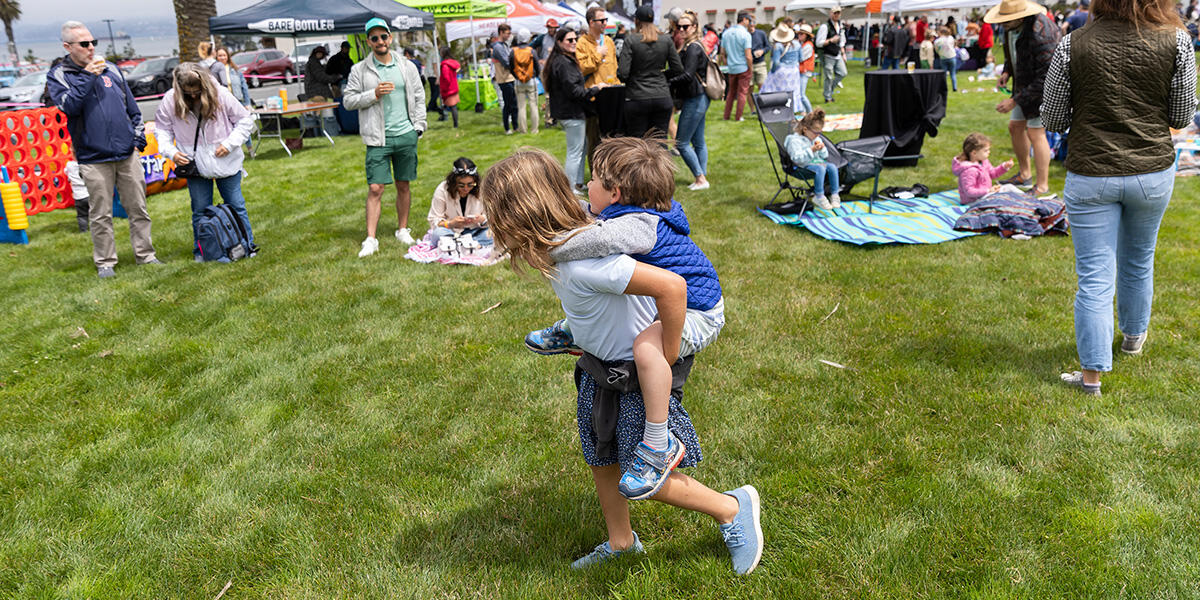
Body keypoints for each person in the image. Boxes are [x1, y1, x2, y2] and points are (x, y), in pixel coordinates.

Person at [480, 146, 762, 575]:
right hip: (599, 365)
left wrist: (663, 353)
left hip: (633, 374)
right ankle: (621, 542)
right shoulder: (568, 249)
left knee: (643, 472)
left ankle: (730, 507)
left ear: (523, 217)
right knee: (601, 455)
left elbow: (671, 288)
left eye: (500, 221)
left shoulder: (588, 263)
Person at [524, 136, 726, 497]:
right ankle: (576, 330)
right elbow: (587, 213)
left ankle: (657, 444)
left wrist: (548, 248)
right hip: (677, 299)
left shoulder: (638, 226)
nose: (587, 184)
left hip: (699, 310)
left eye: (594, 179)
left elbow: (592, 242)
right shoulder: (628, 212)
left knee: (648, 350)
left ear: (615, 193)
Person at [1041, 0, 1196, 395]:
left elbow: (1054, 119)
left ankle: (1092, 376)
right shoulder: (1177, 40)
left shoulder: (1072, 43)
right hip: (1151, 171)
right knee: (1138, 259)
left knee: (1094, 277)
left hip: (1091, 172)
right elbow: (1181, 117)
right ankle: (1133, 338)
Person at [47, 21, 162, 278]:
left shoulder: (111, 69)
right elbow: (70, 107)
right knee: (100, 214)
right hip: (93, 157)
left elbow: (132, 109)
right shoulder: (60, 74)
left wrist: (137, 141)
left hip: (126, 153)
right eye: (84, 44)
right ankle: (105, 262)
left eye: (93, 42)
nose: (91, 48)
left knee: (139, 209)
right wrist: (88, 76)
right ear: (67, 47)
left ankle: (146, 255)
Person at [154, 63, 257, 259]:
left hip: (226, 161)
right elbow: (162, 131)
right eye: (187, 93)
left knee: (236, 205)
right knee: (200, 209)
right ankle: (202, 251)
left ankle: (247, 245)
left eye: (197, 92)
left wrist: (229, 144)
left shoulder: (221, 94)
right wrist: (172, 152)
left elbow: (245, 120)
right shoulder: (170, 99)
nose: (193, 96)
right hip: (194, 164)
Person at [343, 17, 427, 257]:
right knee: (376, 188)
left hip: (406, 134)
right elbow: (348, 101)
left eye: (383, 36)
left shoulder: (406, 65)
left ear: (390, 38)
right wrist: (373, 94)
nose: (380, 41)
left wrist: (418, 127)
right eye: (374, 38)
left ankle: (403, 229)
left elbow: (420, 96)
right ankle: (370, 239)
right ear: (369, 42)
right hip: (377, 138)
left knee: (403, 184)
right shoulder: (359, 69)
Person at [986, 0, 1060, 195]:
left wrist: (1014, 101)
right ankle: (1024, 175)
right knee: (1015, 127)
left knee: (1036, 133)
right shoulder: (1010, 28)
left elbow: (1047, 77)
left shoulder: (1042, 34)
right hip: (1024, 85)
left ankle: (1042, 185)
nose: (1002, 24)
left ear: (1019, 17)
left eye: (1006, 21)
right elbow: (1013, 52)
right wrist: (1007, 72)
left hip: (1043, 89)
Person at [544, 28, 605, 190]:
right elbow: (575, 92)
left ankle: (577, 184)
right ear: (559, 42)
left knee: (581, 147)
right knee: (575, 152)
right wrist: (595, 89)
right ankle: (569, 189)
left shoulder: (562, 60)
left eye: (575, 39)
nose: (573, 42)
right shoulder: (563, 62)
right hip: (571, 113)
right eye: (569, 40)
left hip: (570, 112)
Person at [617, 4, 684, 138]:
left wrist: (635, 77)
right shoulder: (665, 40)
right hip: (661, 95)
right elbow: (678, 69)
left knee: (638, 144)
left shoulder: (631, 40)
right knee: (660, 142)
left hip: (637, 97)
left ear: (636, 21)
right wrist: (661, 75)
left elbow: (623, 73)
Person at [669, 11, 711, 190]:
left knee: (681, 142)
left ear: (694, 27)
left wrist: (667, 81)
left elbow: (687, 75)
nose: (681, 29)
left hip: (696, 97)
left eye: (685, 26)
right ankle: (702, 176)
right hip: (699, 97)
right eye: (679, 27)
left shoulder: (693, 47)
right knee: (698, 141)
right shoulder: (693, 45)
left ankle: (700, 179)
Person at [577, 7, 618, 178]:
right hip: (592, 98)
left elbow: (614, 67)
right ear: (591, 22)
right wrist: (596, 54)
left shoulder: (608, 41)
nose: (605, 23)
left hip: (610, 96)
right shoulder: (582, 43)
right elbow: (581, 69)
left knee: (612, 140)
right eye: (602, 21)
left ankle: (611, 174)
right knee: (594, 141)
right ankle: (597, 178)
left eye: (606, 20)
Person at [427, 157, 491, 246]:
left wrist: (482, 219)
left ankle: (457, 245)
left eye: (470, 184)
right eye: (461, 185)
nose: (466, 189)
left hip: (476, 231)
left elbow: (492, 217)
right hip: (451, 232)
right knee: (438, 234)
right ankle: (471, 244)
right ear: (454, 182)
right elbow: (434, 220)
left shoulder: (482, 189)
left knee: (493, 233)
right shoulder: (442, 190)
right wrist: (450, 223)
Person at [784, 108, 839, 210]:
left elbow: (824, 157)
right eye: (815, 132)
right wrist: (811, 150)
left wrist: (822, 149)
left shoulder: (816, 138)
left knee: (832, 167)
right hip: (801, 167)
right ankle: (818, 196)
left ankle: (835, 195)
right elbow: (797, 159)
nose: (818, 135)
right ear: (805, 129)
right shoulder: (794, 141)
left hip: (816, 164)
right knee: (821, 169)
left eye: (820, 132)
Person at [951, 133, 1014, 204]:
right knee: (1003, 196)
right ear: (974, 153)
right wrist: (988, 191)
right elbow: (969, 191)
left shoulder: (983, 162)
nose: (989, 152)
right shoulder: (969, 170)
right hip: (974, 201)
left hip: (984, 196)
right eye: (985, 150)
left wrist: (1004, 166)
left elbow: (993, 173)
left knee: (1009, 187)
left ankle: (1026, 200)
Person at [761, 23, 807, 115]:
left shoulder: (778, 46)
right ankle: (797, 109)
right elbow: (801, 58)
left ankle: (779, 110)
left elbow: (776, 62)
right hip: (794, 71)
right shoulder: (797, 44)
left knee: (777, 91)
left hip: (781, 70)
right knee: (794, 92)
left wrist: (773, 71)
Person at [720, 11, 754, 121]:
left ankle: (726, 116)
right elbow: (748, 55)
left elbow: (722, 53)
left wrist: (727, 64)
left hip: (731, 67)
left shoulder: (726, 33)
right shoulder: (746, 34)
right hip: (743, 67)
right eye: (749, 20)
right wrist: (751, 68)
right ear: (744, 19)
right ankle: (738, 117)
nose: (749, 23)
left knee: (730, 93)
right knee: (742, 93)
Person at [510, 27, 541, 134]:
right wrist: (535, 75)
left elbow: (511, 67)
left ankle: (523, 130)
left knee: (521, 107)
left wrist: (517, 76)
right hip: (531, 81)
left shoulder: (513, 51)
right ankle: (534, 129)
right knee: (533, 105)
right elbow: (537, 65)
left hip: (519, 82)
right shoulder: (531, 51)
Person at [816, 6, 848, 103]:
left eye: (838, 13)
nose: (837, 15)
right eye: (835, 13)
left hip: (837, 54)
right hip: (827, 54)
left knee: (843, 73)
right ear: (831, 13)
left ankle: (829, 91)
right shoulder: (825, 26)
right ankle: (828, 97)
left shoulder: (840, 25)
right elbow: (819, 43)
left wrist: (843, 53)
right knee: (828, 77)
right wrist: (831, 40)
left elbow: (842, 40)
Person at [491, 24, 518, 134]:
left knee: (514, 104)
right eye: (507, 33)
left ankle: (515, 126)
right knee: (508, 104)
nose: (509, 35)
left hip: (510, 78)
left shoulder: (505, 45)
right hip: (503, 79)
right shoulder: (498, 47)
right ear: (501, 33)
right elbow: (507, 63)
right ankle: (507, 128)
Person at [539, 18, 560, 126]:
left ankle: (556, 116)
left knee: (557, 94)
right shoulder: (542, 38)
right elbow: (530, 47)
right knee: (548, 96)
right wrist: (538, 59)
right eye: (550, 28)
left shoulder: (559, 38)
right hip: (546, 70)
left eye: (554, 28)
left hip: (557, 69)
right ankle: (548, 119)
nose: (552, 30)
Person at [439, 47, 461, 128]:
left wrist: (443, 87)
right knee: (452, 106)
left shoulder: (445, 65)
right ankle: (454, 123)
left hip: (448, 88)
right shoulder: (453, 63)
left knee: (451, 106)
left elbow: (446, 78)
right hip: (454, 87)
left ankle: (455, 124)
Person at [933, 26, 960, 91]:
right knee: (953, 73)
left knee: (944, 74)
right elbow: (953, 45)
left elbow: (936, 50)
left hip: (943, 58)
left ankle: (944, 88)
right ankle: (954, 87)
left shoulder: (937, 41)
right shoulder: (950, 38)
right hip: (952, 57)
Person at [750, 16, 770, 94]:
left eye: (753, 23)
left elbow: (768, 47)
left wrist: (762, 51)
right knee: (750, 89)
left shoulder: (761, 33)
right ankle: (752, 107)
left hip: (760, 64)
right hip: (749, 65)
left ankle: (761, 106)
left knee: (762, 88)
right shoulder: (745, 35)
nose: (752, 25)